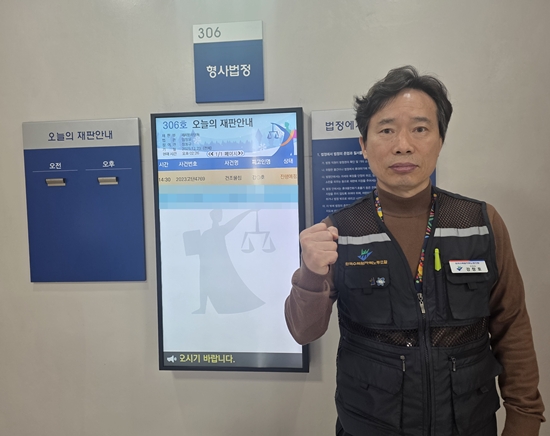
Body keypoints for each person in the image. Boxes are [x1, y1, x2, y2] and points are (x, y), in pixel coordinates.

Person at [285, 66, 545, 436]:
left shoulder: (480, 222)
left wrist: (524, 418)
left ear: (440, 139)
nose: (403, 145)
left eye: (420, 129)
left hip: (468, 425)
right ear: (363, 144)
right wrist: (311, 274)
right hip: (370, 426)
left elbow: (512, 325)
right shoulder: (338, 231)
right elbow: (303, 331)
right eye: (386, 130)